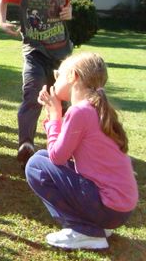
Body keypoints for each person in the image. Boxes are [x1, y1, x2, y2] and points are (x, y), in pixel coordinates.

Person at [26, 52, 138, 250]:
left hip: (108, 208)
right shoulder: (95, 108)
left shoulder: (80, 111)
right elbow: (64, 154)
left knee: (36, 165)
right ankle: (95, 226)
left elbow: (57, 157)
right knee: (41, 157)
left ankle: (84, 231)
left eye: (58, 75)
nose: (55, 80)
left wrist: (54, 116)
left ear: (73, 76)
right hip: (119, 209)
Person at [0, 0, 73, 168]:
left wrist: (69, 12)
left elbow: (66, 8)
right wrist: (2, 21)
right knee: (32, 95)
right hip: (34, 52)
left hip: (61, 54)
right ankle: (26, 144)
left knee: (63, 100)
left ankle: (64, 149)